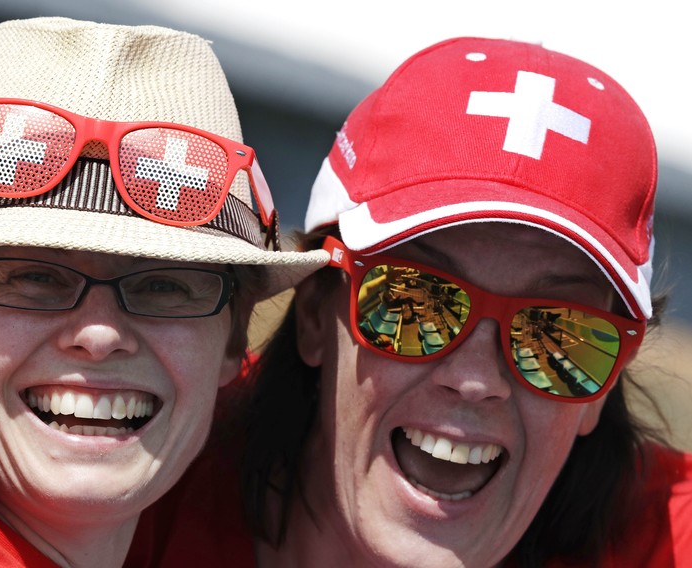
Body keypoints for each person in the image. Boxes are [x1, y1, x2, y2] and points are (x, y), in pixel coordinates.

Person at [124, 37, 692, 567]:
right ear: (317, 313)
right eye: (415, 300)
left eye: (555, 334)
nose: (475, 380)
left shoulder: (662, 539)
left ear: (605, 385)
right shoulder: (136, 483)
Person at [0, 17, 326, 567]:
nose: (100, 335)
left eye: (163, 285)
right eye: (34, 278)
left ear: (233, 339)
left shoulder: (223, 498)